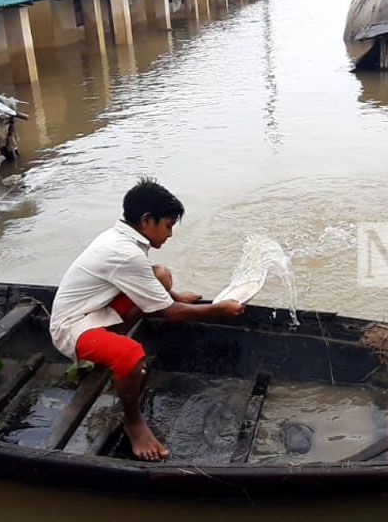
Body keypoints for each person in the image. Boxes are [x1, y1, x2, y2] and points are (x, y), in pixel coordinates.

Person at [49, 178, 245, 461]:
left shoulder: (123, 239)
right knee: (131, 354)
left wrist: (174, 296)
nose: (169, 234)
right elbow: (171, 314)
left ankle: (114, 350)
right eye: (168, 226)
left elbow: (149, 284)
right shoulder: (123, 252)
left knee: (161, 275)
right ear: (146, 220)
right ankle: (134, 423)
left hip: (96, 311)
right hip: (72, 327)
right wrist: (218, 309)